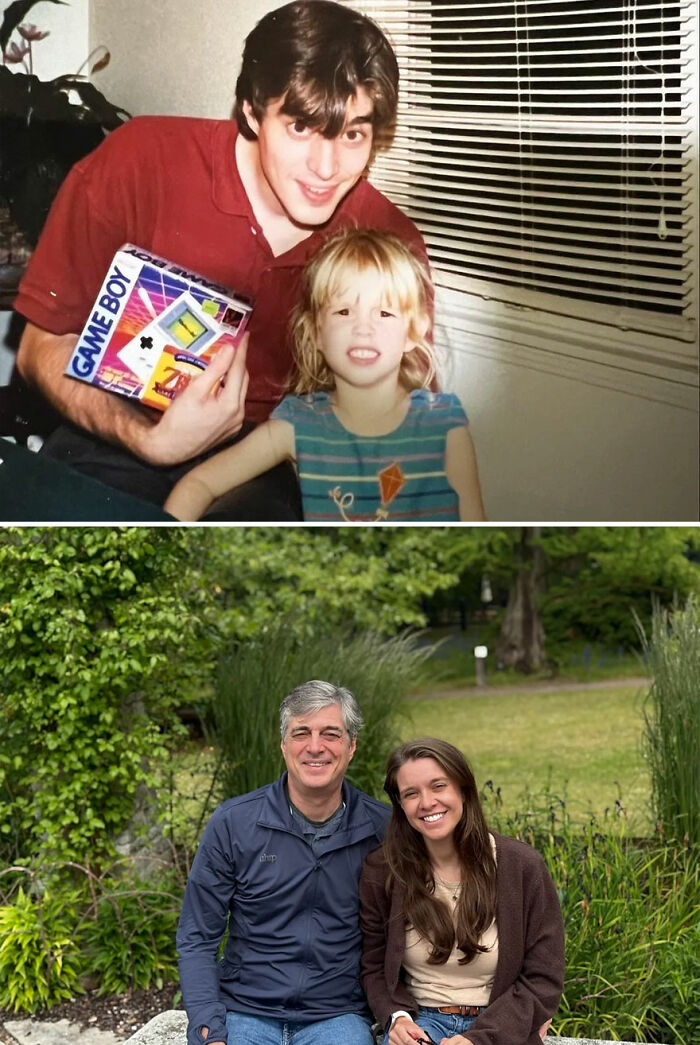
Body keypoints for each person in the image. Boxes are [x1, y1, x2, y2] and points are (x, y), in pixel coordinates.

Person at [12, 0, 428, 519]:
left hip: (273, 467)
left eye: (352, 134)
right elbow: (38, 347)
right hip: (114, 432)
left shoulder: (388, 241)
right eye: (301, 127)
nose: (327, 168)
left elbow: (397, 427)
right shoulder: (139, 161)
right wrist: (148, 440)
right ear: (252, 113)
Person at [164, 228, 485, 521]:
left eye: (384, 313)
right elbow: (200, 484)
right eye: (344, 311)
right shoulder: (296, 426)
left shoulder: (444, 427)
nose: (363, 328)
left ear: (414, 332)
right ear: (316, 332)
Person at [176, 680, 391, 1045]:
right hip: (244, 1011)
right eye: (301, 733)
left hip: (336, 1014)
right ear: (283, 745)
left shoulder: (382, 830)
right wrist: (208, 1028)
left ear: (352, 746)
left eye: (331, 734)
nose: (315, 746)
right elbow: (197, 937)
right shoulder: (234, 823)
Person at [359, 738, 565, 1045]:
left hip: (499, 1023)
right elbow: (373, 966)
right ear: (400, 805)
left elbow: (543, 976)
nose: (426, 802)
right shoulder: (384, 870)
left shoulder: (521, 866)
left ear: (463, 789)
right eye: (411, 794)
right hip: (422, 1023)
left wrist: (479, 1039)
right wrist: (396, 1017)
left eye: (438, 786)